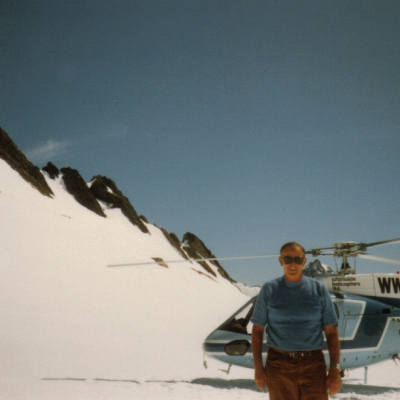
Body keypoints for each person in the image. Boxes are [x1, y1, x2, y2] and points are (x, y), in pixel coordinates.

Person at [251, 242, 341, 399]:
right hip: (279, 366)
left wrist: (334, 370)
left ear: (304, 262)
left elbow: (332, 332)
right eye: (288, 259)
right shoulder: (269, 289)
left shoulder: (319, 290)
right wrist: (258, 368)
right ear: (281, 261)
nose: (293, 264)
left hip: (313, 365)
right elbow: (257, 331)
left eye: (298, 260)